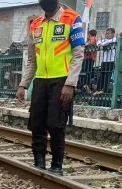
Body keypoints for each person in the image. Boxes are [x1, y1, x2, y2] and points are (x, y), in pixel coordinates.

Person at [16, 0, 84, 176]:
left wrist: (70, 84)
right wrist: (23, 84)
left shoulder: (72, 19)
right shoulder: (35, 24)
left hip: (62, 80)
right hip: (40, 81)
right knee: (37, 123)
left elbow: (78, 55)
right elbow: (32, 60)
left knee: (56, 124)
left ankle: (57, 164)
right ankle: (38, 162)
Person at [97, 28, 116, 92]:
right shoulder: (105, 40)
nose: (106, 35)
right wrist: (101, 43)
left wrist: (102, 44)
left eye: (108, 33)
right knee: (102, 75)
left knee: (107, 76)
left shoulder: (115, 39)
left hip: (111, 60)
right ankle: (98, 89)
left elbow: (106, 43)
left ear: (113, 34)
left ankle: (104, 90)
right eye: (106, 34)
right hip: (104, 60)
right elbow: (98, 42)